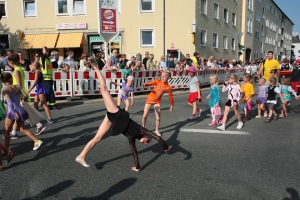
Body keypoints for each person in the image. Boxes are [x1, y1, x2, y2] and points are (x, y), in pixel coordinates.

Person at [75, 58, 172, 171]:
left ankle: (81, 156)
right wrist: (166, 147)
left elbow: (134, 152)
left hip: (112, 120)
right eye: (148, 140)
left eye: (146, 143)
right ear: (147, 135)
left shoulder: (132, 138)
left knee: (97, 138)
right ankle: (96, 66)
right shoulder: (142, 130)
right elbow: (157, 137)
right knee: (104, 89)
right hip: (116, 113)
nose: (147, 142)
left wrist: (137, 167)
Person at [1, 72, 43, 151]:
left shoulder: (4, 89)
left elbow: (9, 102)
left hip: (12, 111)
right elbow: (26, 95)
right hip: (21, 109)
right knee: (22, 129)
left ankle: (6, 148)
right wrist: (24, 101)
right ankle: (37, 141)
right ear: (10, 79)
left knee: (6, 130)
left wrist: (13, 112)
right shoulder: (17, 87)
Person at [142, 70, 174, 136]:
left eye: (165, 77)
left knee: (158, 118)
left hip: (157, 101)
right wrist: (145, 84)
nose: (163, 78)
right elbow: (150, 83)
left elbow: (170, 96)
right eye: (162, 76)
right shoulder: (157, 81)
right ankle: (143, 128)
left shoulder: (168, 87)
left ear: (168, 77)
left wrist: (171, 105)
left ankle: (156, 130)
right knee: (145, 115)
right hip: (150, 99)